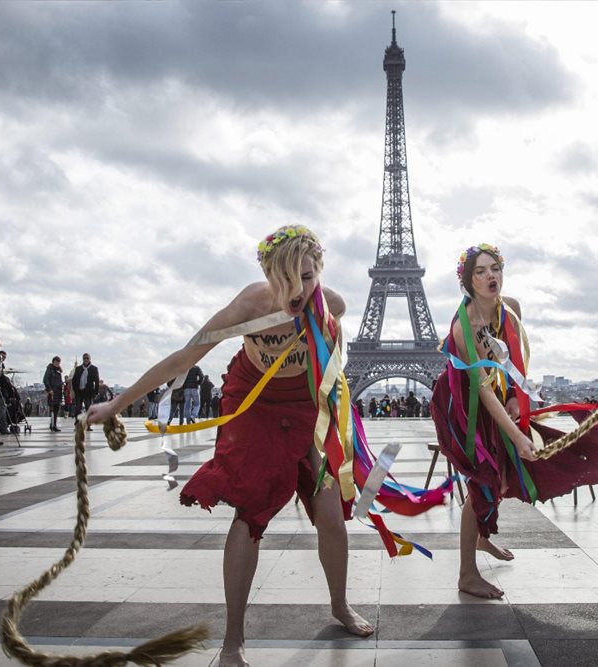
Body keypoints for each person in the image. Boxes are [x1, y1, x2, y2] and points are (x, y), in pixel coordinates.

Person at [86, 225, 378, 666]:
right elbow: (181, 360)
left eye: (309, 277)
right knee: (250, 512)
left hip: (303, 403)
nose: (299, 290)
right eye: (287, 280)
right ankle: (233, 640)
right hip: (253, 401)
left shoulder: (331, 305)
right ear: (267, 274)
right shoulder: (246, 305)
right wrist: (117, 403)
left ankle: (339, 604)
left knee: (331, 510)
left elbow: (329, 366)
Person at [430, 243, 598, 599]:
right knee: (483, 478)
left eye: (494, 267)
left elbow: (514, 360)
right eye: (479, 271)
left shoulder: (510, 309)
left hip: (496, 396)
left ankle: (482, 539)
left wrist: (515, 395)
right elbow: (479, 389)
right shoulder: (464, 325)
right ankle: (467, 574)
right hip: (463, 404)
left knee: (500, 474)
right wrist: (517, 434)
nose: (489, 276)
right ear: (467, 281)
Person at [72, 353, 100, 428]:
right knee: (78, 408)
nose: (86, 360)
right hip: (79, 391)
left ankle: (88, 424)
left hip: (89, 392)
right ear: (83, 359)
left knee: (89, 408)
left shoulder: (94, 369)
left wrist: (96, 392)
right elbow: (74, 380)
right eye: (85, 358)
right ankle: (77, 423)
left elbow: (97, 381)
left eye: (87, 358)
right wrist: (75, 390)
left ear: (90, 359)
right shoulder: (78, 368)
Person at [43, 356, 64, 432]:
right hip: (52, 392)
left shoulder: (58, 371)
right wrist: (49, 389)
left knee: (56, 409)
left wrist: (62, 384)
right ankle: (52, 424)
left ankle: (54, 424)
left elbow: (59, 381)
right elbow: (45, 379)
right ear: (53, 362)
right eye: (56, 362)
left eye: (58, 362)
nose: (57, 363)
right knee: (52, 408)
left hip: (58, 392)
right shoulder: (50, 369)